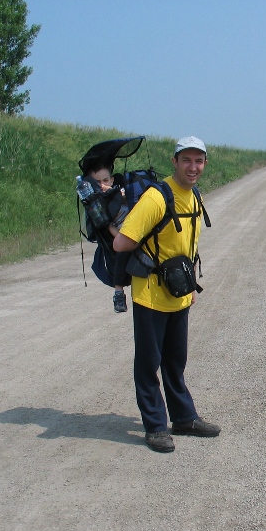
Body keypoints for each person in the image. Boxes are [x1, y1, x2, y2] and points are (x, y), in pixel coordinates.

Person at [113, 136, 220, 452]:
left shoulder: (195, 196)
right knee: (149, 363)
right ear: (174, 162)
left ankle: (184, 418)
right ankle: (156, 427)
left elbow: (189, 244)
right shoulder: (156, 198)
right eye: (186, 160)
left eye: (198, 161)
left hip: (180, 293)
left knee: (175, 360)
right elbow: (121, 242)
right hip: (150, 294)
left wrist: (190, 287)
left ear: (204, 164)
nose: (192, 167)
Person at [84, 164, 130, 312]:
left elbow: (130, 198)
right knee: (119, 251)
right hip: (118, 233)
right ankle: (119, 292)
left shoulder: (120, 190)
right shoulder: (96, 202)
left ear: (112, 180)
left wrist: (117, 194)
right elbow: (103, 224)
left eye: (105, 180)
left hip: (136, 226)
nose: (102, 185)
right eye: (97, 183)